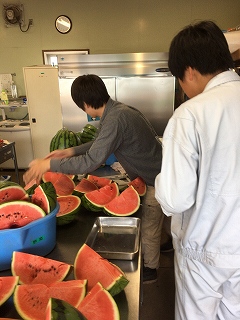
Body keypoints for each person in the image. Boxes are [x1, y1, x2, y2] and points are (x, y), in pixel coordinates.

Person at [23, 74, 170, 284]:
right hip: (160, 170)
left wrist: (48, 164)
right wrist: (70, 151)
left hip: (153, 179)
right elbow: (99, 143)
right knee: (164, 219)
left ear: (85, 104)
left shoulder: (115, 119)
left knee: (149, 226)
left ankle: (151, 268)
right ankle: (168, 243)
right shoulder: (117, 110)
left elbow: (90, 162)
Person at [155, 20, 240, 319]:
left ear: (189, 71)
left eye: (179, 78)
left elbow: (176, 200)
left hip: (204, 252)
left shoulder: (190, 114)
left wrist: (160, 181)